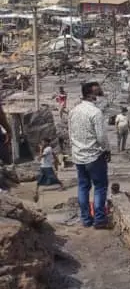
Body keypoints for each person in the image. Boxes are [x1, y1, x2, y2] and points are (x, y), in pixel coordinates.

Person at [68, 81, 111, 229]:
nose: (100, 96)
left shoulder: (74, 111)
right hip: (94, 156)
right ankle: (99, 219)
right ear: (92, 95)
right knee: (100, 187)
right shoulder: (95, 113)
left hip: (78, 156)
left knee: (83, 187)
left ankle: (86, 219)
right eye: (98, 93)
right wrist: (106, 150)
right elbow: (101, 137)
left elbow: (70, 133)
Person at [34, 138, 64, 202]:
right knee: (40, 177)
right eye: (42, 142)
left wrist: (40, 149)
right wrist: (57, 161)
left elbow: (41, 157)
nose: (42, 143)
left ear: (47, 142)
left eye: (43, 142)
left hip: (47, 166)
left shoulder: (48, 149)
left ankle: (61, 185)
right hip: (43, 166)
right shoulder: (48, 149)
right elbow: (53, 154)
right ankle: (36, 189)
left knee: (52, 177)